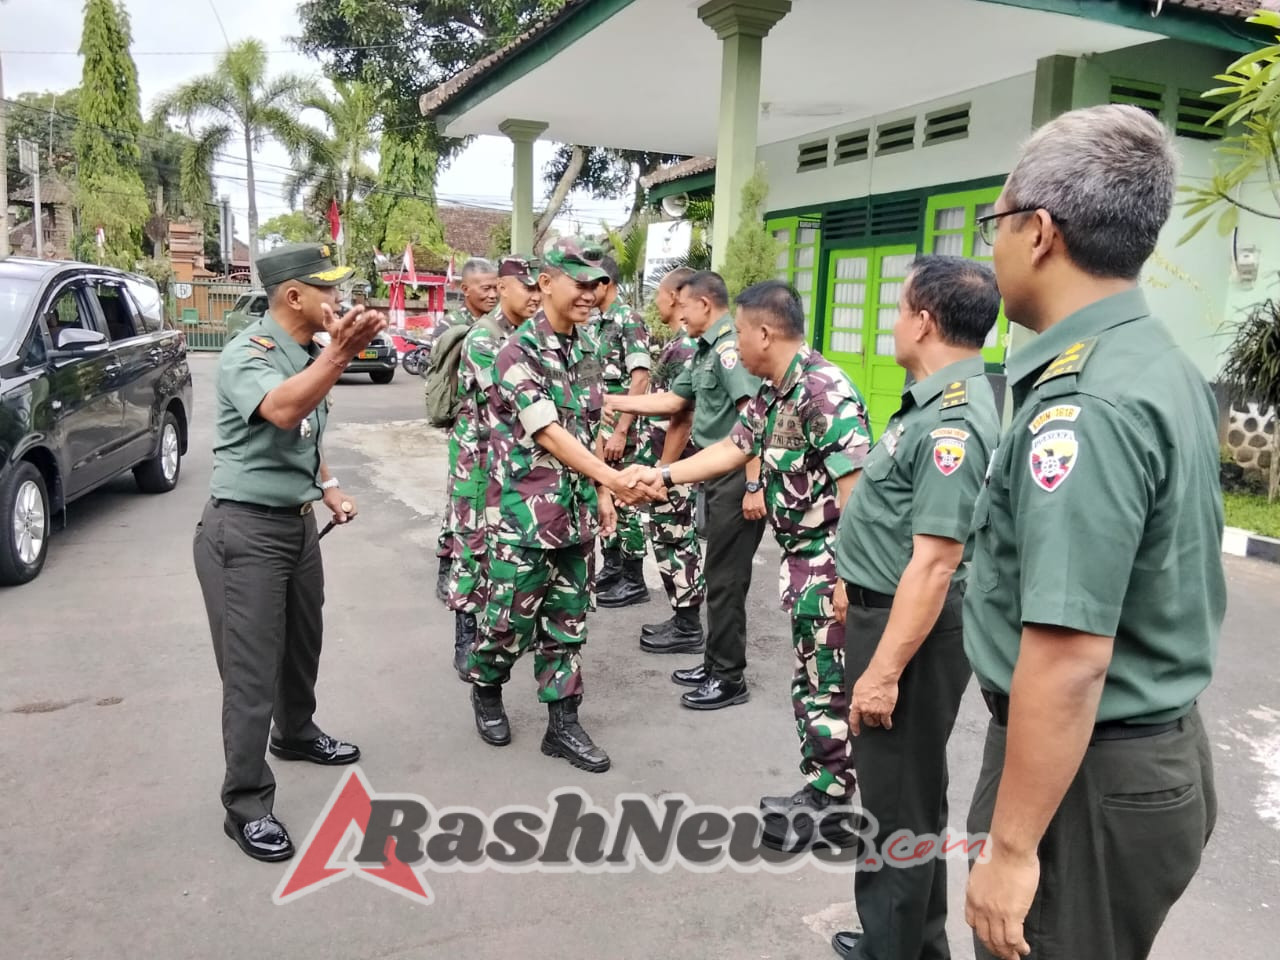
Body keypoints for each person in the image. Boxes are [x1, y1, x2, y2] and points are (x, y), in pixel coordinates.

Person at [961, 103, 1222, 960]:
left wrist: (1010, 849)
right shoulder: (1154, 362)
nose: (990, 246)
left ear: (1038, 231)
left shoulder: (1085, 406)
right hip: (1130, 761)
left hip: (1084, 782)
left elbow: (1070, 655)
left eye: (994, 222)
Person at [623, 280, 870, 843]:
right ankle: (822, 788)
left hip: (832, 565)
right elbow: (734, 448)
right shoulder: (776, 390)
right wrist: (661, 475)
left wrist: (850, 580)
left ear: (763, 332)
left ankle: (833, 807)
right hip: (805, 561)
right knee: (813, 682)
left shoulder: (821, 390)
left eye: (738, 331)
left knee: (828, 684)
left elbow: (858, 491)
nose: (734, 342)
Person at [827, 255, 1001, 960]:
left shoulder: (951, 423)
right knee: (910, 794)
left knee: (896, 804)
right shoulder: (932, 401)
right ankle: (912, 942)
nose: (890, 321)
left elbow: (934, 564)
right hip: (889, 618)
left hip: (909, 632)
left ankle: (891, 949)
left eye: (898, 309)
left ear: (925, 321)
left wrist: (882, 671)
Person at [192, 243, 388, 862]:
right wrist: (339, 354)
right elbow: (282, 410)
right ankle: (246, 803)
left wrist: (329, 488)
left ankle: (297, 733)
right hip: (244, 533)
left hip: (296, 525)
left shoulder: (305, 353)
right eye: (326, 288)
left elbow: (307, 432)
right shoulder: (247, 354)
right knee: (251, 676)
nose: (339, 298)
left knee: (304, 643)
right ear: (293, 296)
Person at [466, 237, 647, 772]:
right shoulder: (514, 352)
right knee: (507, 623)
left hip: (576, 515)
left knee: (568, 622)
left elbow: (588, 427)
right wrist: (612, 476)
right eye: (580, 282)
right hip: (525, 516)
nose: (592, 293)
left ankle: (562, 724)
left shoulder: (588, 350)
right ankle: (486, 686)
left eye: (597, 284)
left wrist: (604, 492)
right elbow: (547, 432)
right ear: (546, 282)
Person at [606, 270, 766, 710]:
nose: (679, 314)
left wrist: (754, 485)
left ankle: (729, 678)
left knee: (727, 579)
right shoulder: (702, 351)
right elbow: (674, 403)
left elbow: (750, 420)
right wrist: (612, 401)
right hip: (713, 471)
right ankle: (715, 663)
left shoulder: (730, 351)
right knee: (716, 573)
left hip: (736, 474)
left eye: (684, 306)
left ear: (704, 305)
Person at [446, 255, 543, 679]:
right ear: (504, 288)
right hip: (480, 460)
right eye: (527, 288)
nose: (536, 297)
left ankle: (500, 628)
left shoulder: (533, 334)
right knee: (473, 546)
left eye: (540, 288)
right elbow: (509, 399)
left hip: (514, 462)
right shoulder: (484, 338)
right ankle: (465, 637)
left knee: (507, 546)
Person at [635, 267, 706, 652]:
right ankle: (682, 618)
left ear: (677, 296)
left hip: (676, 464)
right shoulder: (683, 343)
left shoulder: (685, 347)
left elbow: (682, 415)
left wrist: (664, 471)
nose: (656, 303)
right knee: (673, 539)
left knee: (675, 540)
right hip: (673, 462)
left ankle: (688, 625)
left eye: (659, 294)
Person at [432, 258, 500, 603]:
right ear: (465, 289)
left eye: (496, 287)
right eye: (485, 288)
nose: (493, 294)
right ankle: (449, 565)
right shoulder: (452, 326)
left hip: (494, 433)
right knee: (461, 504)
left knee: (480, 505)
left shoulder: (501, 324)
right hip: (467, 430)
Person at [592, 255, 653, 608]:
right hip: (601, 427)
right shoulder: (596, 322)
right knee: (605, 494)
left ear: (606, 283)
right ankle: (612, 566)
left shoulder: (628, 320)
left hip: (622, 430)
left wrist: (621, 431)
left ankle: (634, 578)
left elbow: (640, 377)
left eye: (591, 283)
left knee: (626, 498)